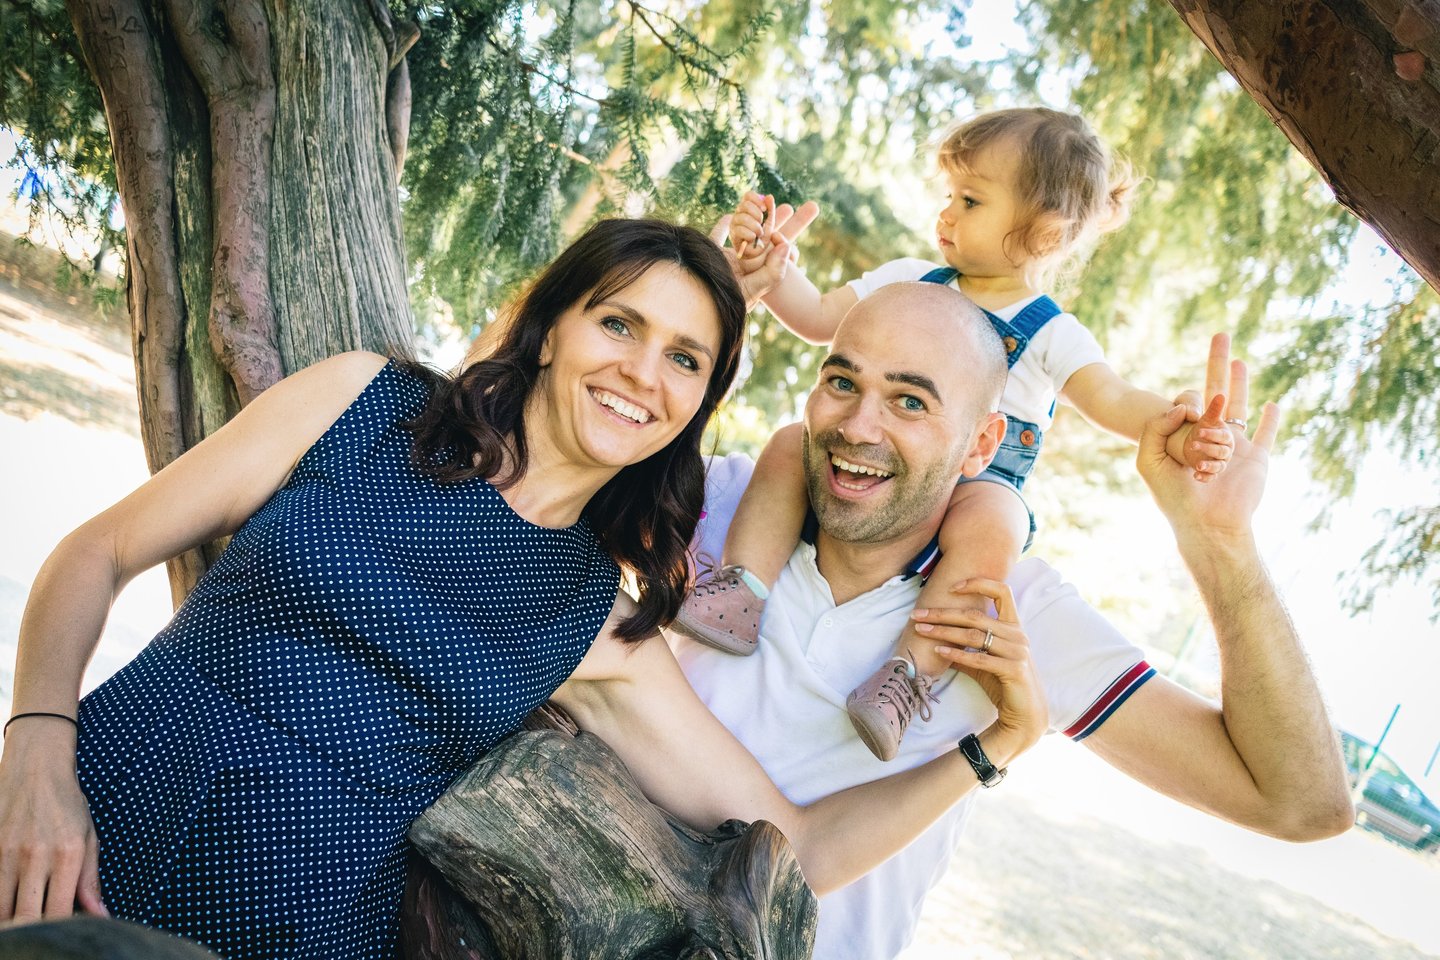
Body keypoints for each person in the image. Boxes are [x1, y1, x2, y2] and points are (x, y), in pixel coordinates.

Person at [0, 218, 1057, 960]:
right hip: (69, 832)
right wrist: (38, 754)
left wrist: (990, 748)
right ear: (554, 328)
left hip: (287, 931)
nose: (646, 373)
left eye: (688, 360)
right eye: (621, 325)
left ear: (701, 404)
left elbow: (803, 846)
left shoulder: (598, 618)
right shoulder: (363, 402)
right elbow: (98, 553)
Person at [670, 279, 1354, 960]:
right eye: (843, 382)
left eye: (910, 401)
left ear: (981, 444)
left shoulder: (1009, 614)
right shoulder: (729, 501)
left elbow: (1299, 804)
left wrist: (1220, 543)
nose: (858, 427)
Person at [672, 107, 1237, 761]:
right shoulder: (908, 278)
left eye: (970, 200)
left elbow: (1110, 399)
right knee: (786, 444)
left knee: (997, 523)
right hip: (885, 464)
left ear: (1046, 234)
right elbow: (818, 316)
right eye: (949, 196)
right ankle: (743, 588)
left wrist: (1178, 426)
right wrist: (773, 267)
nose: (947, 213)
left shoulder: (1049, 329)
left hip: (978, 482)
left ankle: (907, 675)